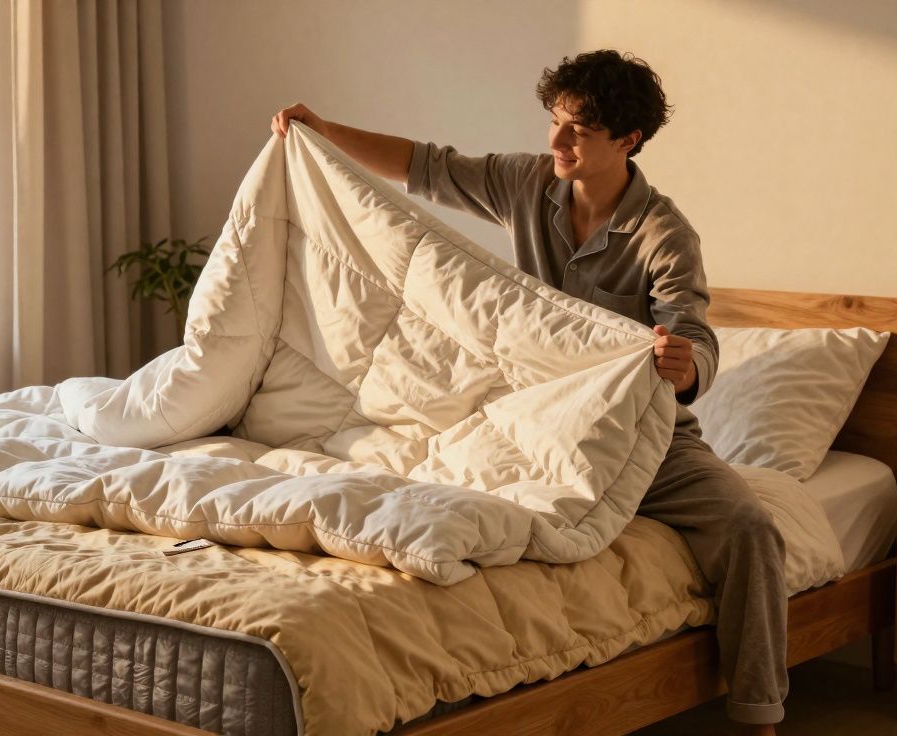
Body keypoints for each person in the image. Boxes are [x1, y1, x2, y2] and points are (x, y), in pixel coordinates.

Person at [270, 49, 787, 735]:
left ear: (628, 140)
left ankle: (759, 716)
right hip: (532, 431)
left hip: (643, 439)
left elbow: (691, 328)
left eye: (579, 130)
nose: (557, 141)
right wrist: (325, 131)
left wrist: (683, 365)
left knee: (751, 529)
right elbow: (425, 166)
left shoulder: (665, 234)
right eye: (554, 121)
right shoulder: (526, 184)